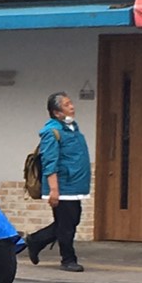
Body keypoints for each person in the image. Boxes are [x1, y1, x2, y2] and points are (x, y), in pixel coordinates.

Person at [25, 92, 92, 272]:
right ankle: (68, 259)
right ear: (57, 113)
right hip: (62, 186)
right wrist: (54, 189)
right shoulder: (52, 132)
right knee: (67, 225)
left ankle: (36, 240)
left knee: (71, 221)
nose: (72, 106)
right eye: (67, 105)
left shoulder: (71, 128)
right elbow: (49, 161)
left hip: (74, 185)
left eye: (71, 103)